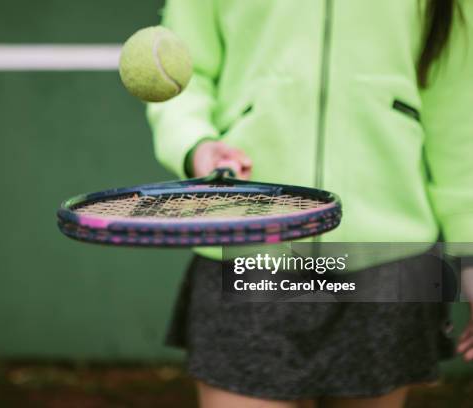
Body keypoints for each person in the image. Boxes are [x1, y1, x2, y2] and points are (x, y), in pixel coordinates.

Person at [147, 1, 473, 407]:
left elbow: (460, 120)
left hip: (386, 263)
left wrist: (470, 255)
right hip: (250, 249)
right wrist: (196, 142)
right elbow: (186, 75)